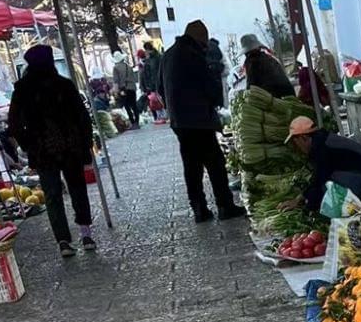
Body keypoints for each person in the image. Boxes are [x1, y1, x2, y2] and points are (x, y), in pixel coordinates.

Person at [7, 42, 96, 258]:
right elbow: (82, 118)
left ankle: (63, 241)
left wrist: (28, 144)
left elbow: (14, 123)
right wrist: (85, 144)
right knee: (77, 188)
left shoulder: (22, 89)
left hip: (42, 149)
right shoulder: (64, 85)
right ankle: (86, 234)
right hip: (70, 146)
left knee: (52, 194)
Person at [159, 19, 246, 223]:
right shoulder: (194, 55)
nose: (206, 47)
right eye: (204, 43)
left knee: (191, 166)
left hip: (180, 121)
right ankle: (225, 205)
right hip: (199, 119)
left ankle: (199, 208)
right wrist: (215, 100)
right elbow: (209, 87)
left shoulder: (168, 55)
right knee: (215, 163)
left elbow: (160, 88)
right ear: (199, 40)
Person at [286, 115, 361, 214]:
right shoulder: (322, 141)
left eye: (295, 141)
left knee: (328, 185)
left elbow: (321, 180)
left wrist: (307, 206)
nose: (297, 146)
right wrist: (302, 198)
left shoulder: (323, 148)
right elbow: (318, 177)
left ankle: (360, 205)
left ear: (303, 138)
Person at [239, 32, 295, 98]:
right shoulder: (269, 59)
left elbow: (251, 87)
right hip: (284, 96)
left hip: (272, 99)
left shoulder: (252, 63)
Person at [111, 52, 139, 128]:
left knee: (127, 106)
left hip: (123, 89)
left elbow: (116, 81)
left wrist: (116, 92)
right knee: (134, 105)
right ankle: (137, 122)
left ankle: (132, 122)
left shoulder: (116, 68)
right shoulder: (128, 66)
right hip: (132, 88)